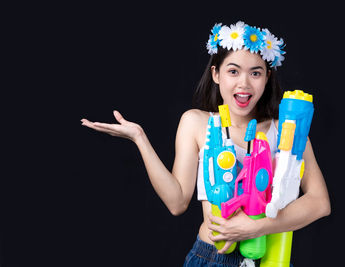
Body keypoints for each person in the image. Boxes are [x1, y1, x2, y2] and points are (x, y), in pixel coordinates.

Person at [81, 21, 330, 267]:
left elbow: (320, 203)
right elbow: (177, 201)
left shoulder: (288, 131)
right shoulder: (197, 123)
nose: (244, 83)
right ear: (216, 74)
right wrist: (140, 138)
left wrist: (256, 227)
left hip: (272, 259)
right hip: (213, 258)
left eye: (255, 73)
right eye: (233, 71)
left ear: (267, 77)